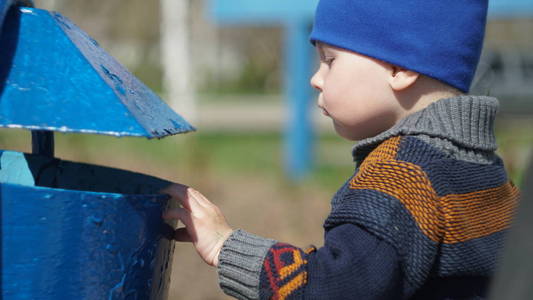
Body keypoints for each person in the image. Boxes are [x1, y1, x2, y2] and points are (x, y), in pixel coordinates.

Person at [162, 0, 520, 299]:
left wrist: (227, 247)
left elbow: (335, 287)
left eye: (330, 60)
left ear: (399, 68)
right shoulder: (485, 169)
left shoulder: (402, 177)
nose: (316, 78)